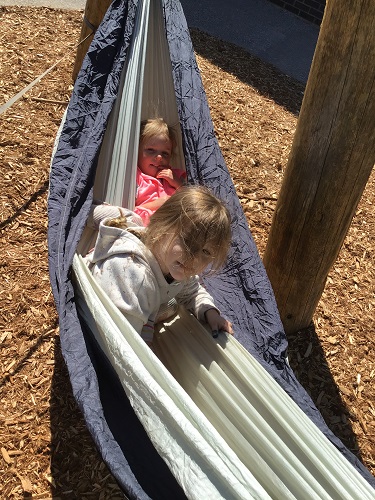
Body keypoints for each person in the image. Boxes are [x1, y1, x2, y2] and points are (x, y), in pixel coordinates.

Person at [85, 185, 233, 345]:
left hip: (141, 308)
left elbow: (191, 290)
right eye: (187, 241)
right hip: (106, 323)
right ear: (161, 225)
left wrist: (209, 311)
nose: (194, 259)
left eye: (205, 251)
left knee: (171, 306)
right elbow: (123, 343)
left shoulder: (178, 265)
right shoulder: (134, 273)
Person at [88, 118, 186, 228]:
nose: (159, 157)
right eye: (151, 150)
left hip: (172, 227)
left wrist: (178, 183)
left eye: (165, 153)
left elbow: (188, 199)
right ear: (136, 152)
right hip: (142, 226)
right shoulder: (134, 176)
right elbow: (130, 211)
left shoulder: (172, 176)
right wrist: (158, 204)